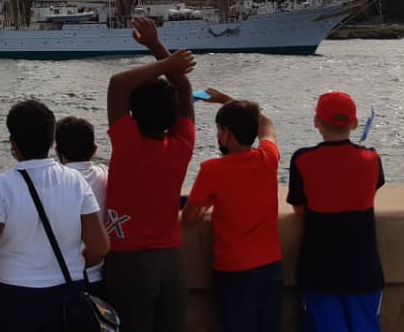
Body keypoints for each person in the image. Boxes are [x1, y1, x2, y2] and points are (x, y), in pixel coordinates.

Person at [0, 100, 109, 332]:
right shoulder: (75, 182)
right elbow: (99, 247)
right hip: (67, 296)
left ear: (13, 144)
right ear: (52, 141)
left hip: (16, 299)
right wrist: (72, 266)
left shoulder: (3, 187)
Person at [103, 17, 196, 332]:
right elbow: (183, 87)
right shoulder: (182, 144)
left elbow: (118, 84)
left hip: (128, 260)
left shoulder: (129, 145)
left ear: (134, 114)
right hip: (172, 260)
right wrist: (158, 49)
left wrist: (166, 59)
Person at [183, 91, 283, 332]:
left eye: (219, 130)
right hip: (271, 265)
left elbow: (190, 217)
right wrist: (229, 102)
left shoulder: (212, 170)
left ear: (226, 133)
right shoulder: (269, 158)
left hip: (234, 270)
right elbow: (266, 124)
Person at [288, 92, 385, 332]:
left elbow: (300, 210)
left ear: (316, 122)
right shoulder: (371, 158)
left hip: (319, 271)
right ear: (354, 123)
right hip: (364, 270)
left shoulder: (302, 159)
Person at [54, 115, 109, 298]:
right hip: (95, 276)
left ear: (57, 150)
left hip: (58, 278)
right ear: (94, 150)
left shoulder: (52, 181)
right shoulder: (104, 176)